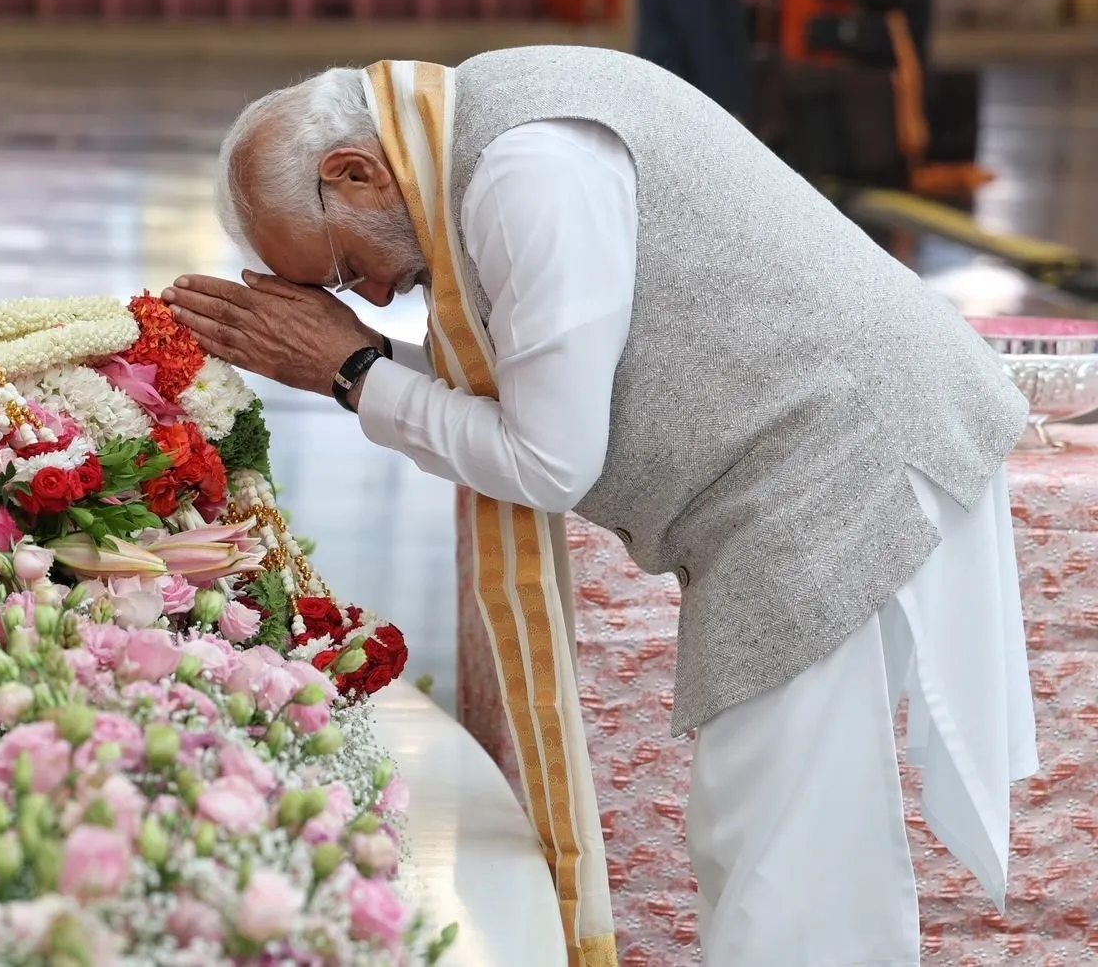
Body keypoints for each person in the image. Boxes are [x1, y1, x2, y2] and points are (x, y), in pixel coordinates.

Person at [161, 47, 1036, 967]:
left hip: (834, 467)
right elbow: (526, 395)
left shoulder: (524, 168)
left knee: (788, 852)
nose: (373, 296)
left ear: (355, 171)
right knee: (772, 837)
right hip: (809, 465)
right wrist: (356, 371)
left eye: (345, 269)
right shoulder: (482, 130)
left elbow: (546, 459)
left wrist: (352, 371)